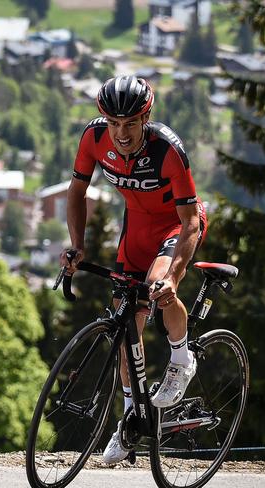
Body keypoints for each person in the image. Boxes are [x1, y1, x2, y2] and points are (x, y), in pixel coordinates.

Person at [60, 76, 208, 464]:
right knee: (126, 325)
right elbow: (76, 193)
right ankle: (130, 419)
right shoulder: (93, 139)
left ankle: (181, 359)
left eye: (130, 123)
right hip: (136, 231)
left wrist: (174, 276)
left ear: (146, 117)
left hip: (176, 226)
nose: (121, 133)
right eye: (113, 123)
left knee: (160, 287)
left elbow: (190, 221)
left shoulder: (168, 150)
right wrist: (78, 245)